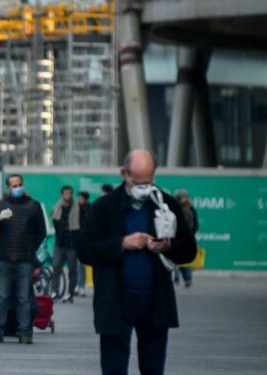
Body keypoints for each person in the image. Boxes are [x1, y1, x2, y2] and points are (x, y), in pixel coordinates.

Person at [77, 150, 197, 375]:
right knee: (114, 367)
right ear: (123, 174)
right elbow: (84, 250)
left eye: (148, 181)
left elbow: (189, 250)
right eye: (136, 181)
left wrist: (168, 246)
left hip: (154, 302)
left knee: (153, 368)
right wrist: (122, 243)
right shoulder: (105, 207)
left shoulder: (166, 204)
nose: (143, 187)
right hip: (115, 301)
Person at [0, 174, 47, 345]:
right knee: (1, 296)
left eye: (20, 184)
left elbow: (41, 231)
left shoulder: (33, 206)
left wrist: (30, 249)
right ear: (8, 188)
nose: (17, 187)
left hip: (24, 259)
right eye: (14, 185)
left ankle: (25, 332)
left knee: (23, 297)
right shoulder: (0, 205)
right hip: (4, 258)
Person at [51, 185, 81, 303]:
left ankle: (70, 292)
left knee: (72, 269)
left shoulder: (77, 207)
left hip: (72, 245)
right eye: (65, 193)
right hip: (59, 243)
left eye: (69, 193)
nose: (67, 195)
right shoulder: (58, 207)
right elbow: (54, 221)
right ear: (62, 194)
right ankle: (55, 291)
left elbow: (81, 224)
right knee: (56, 267)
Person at [175, 189, 199, 288]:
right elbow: (195, 225)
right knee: (185, 259)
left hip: (178, 237)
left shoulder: (176, 208)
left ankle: (176, 277)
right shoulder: (191, 209)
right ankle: (187, 278)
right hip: (187, 238)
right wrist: (191, 235)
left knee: (175, 259)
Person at [75, 191, 91, 297]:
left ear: (85, 199)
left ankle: (81, 287)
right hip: (76, 239)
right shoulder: (75, 208)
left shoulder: (90, 209)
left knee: (82, 264)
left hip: (86, 239)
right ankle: (78, 286)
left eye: (80, 198)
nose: (79, 200)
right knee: (76, 264)